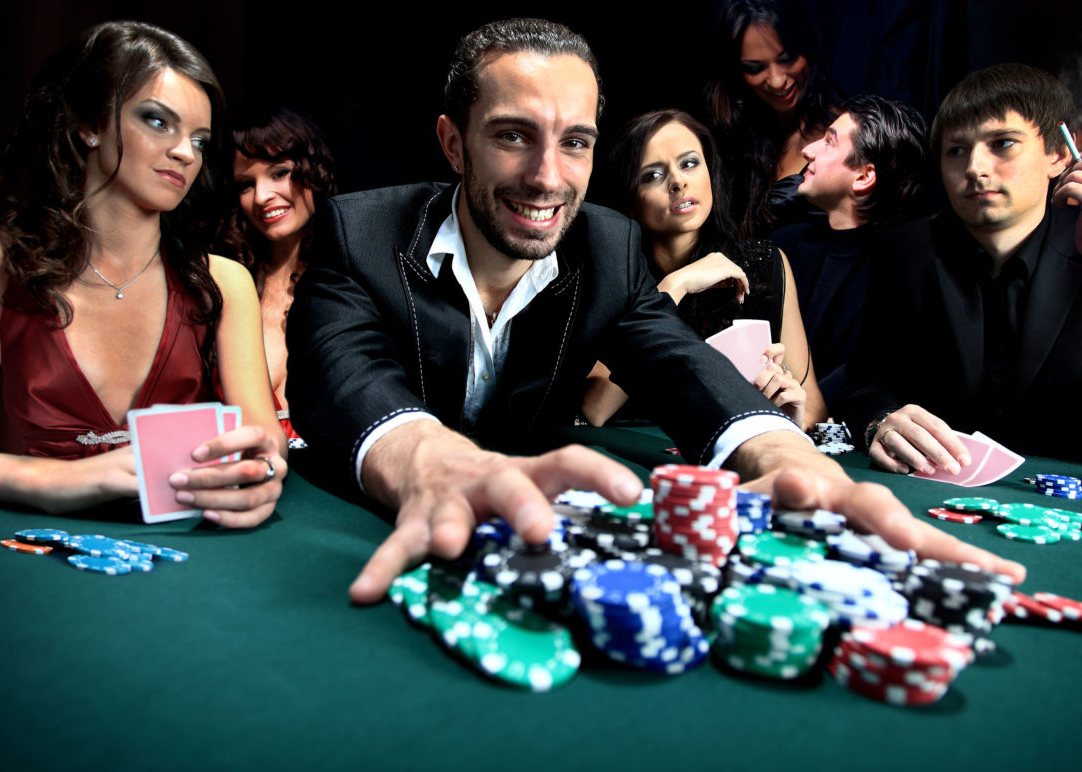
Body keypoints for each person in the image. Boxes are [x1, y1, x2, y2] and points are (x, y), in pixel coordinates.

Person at [284, 18, 1024, 604]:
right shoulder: (361, 232)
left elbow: (682, 368)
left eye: (575, 142)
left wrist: (786, 457)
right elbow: (338, 378)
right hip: (355, 535)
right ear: (454, 142)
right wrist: (429, 462)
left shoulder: (608, 248)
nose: (547, 177)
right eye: (513, 135)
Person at [0, 21, 286, 524]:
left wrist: (264, 470)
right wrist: (45, 479)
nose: (185, 153)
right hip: (43, 540)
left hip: (195, 538)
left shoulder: (224, 281)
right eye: (158, 121)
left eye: (200, 140)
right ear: (90, 124)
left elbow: (265, 442)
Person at [841, 63, 1082, 472]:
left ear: (1058, 154)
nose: (974, 167)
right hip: (938, 485)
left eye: (1002, 144)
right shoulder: (907, 251)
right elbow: (866, 386)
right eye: (956, 150)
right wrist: (879, 423)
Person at [582, 109, 826, 430]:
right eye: (652, 175)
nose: (678, 182)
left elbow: (813, 408)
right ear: (630, 198)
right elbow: (594, 409)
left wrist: (786, 410)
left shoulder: (764, 264)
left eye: (689, 163)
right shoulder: (609, 274)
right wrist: (675, 287)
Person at [772, 95, 929, 412]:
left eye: (829, 142)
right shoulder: (782, 244)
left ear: (863, 177)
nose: (807, 150)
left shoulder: (907, 269)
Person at [222, 107, 337, 444]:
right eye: (246, 185)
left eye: (279, 173)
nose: (261, 197)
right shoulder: (223, 285)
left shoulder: (355, 283)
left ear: (315, 171)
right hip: (250, 468)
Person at [706, 0, 842, 237]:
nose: (777, 81)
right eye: (755, 68)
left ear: (807, 48)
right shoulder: (732, 136)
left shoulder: (844, 133)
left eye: (787, 59)